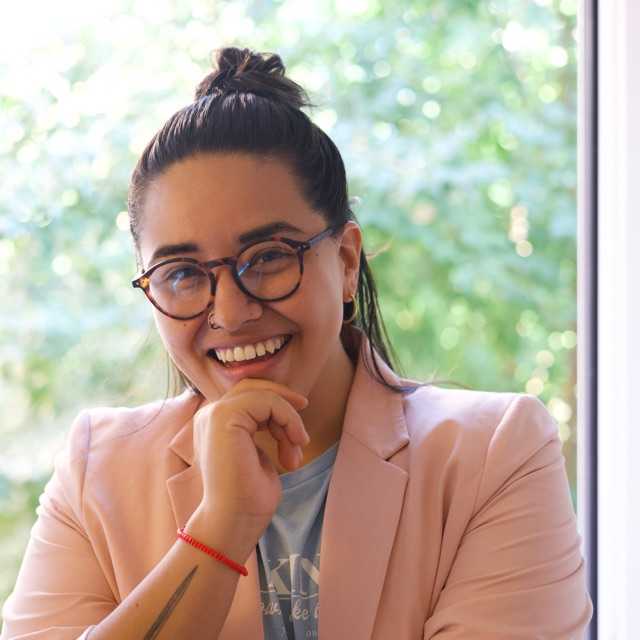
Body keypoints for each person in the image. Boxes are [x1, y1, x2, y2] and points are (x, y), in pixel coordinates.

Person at [0, 47, 593, 640]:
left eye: (268, 258)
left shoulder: (496, 455)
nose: (230, 312)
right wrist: (221, 528)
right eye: (182, 273)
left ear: (347, 261)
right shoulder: (97, 472)